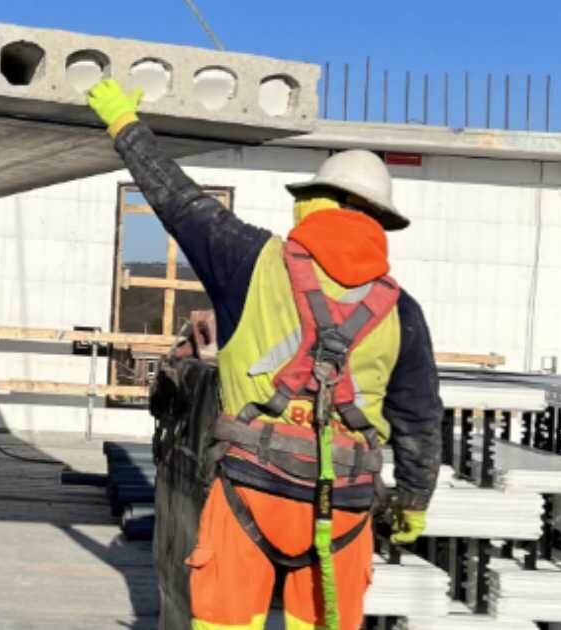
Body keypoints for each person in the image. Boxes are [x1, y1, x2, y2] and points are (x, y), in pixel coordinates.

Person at [87, 79, 442, 630]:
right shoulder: (403, 310)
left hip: (251, 489)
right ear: (377, 220)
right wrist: (414, 500)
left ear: (319, 203)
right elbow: (418, 417)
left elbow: (178, 200)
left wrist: (125, 127)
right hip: (343, 506)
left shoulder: (252, 260)